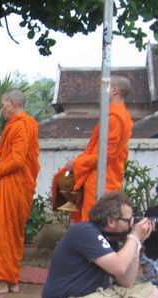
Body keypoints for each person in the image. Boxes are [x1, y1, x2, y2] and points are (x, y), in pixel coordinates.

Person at [0, 89, 40, 294]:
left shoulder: (22, 125)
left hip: (12, 186)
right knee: (12, 234)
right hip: (15, 186)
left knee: (3, 233)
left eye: (3, 105)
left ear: (12, 103)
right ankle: (11, 280)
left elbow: (17, 160)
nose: (2, 109)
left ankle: (2, 282)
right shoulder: (24, 124)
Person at [63, 75, 133, 222]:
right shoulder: (120, 114)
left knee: (93, 223)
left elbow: (105, 155)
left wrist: (76, 163)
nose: (100, 92)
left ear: (113, 90)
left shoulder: (115, 117)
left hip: (101, 178)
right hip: (106, 175)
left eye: (103, 88)